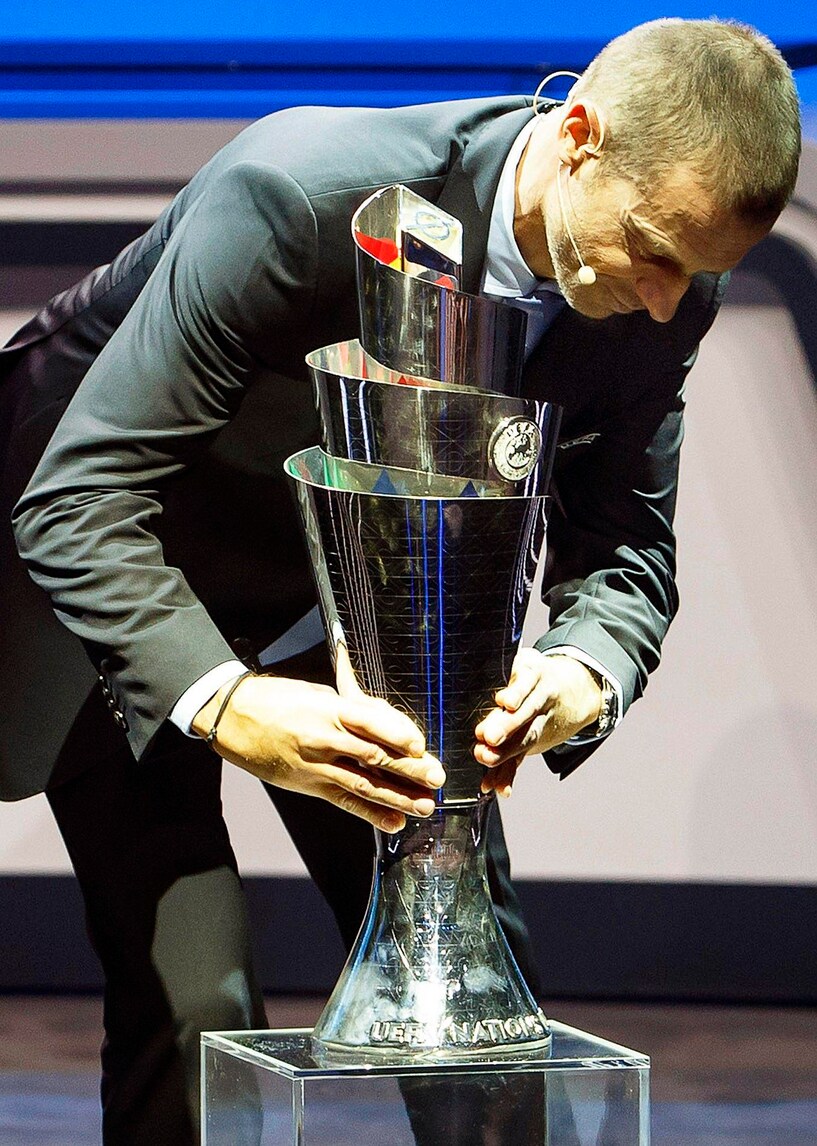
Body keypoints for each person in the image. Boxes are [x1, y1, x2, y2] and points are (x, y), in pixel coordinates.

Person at [0, 17, 800, 1145]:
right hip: (130, 587)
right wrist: (227, 701)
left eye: (700, 273)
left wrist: (582, 669)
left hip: (362, 620)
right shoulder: (300, 194)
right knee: (192, 1009)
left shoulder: (659, 296)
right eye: (653, 250)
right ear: (578, 134)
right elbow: (79, 496)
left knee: (476, 1007)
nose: (667, 301)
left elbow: (626, 547)